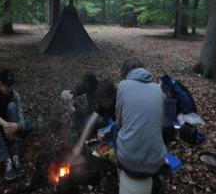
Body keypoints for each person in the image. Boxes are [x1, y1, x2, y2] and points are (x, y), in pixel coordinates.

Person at [116, 57, 166, 194]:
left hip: (127, 159)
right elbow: (159, 125)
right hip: (156, 159)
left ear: (125, 72)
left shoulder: (123, 85)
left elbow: (119, 121)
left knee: (115, 131)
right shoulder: (158, 89)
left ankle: (119, 175)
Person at [71, 79, 116, 157]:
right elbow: (91, 120)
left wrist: (110, 133)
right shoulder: (103, 102)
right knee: (87, 121)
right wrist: (80, 144)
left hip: (125, 129)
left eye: (104, 101)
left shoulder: (120, 102)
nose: (102, 105)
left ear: (112, 97)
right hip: (113, 123)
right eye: (100, 101)